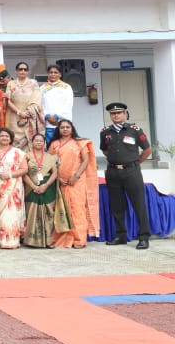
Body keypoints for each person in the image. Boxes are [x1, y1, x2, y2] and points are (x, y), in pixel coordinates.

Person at [100, 102, 151, 249]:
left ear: (125, 114)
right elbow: (105, 150)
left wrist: (135, 162)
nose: (116, 115)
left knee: (139, 205)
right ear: (110, 116)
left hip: (131, 172)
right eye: (113, 113)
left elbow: (147, 150)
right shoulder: (105, 132)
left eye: (119, 113)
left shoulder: (135, 130)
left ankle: (143, 237)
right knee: (117, 205)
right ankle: (120, 236)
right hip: (113, 172)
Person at [50, 120, 98, 248]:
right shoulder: (54, 144)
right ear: (58, 129)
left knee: (77, 209)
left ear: (72, 129)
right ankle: (63, 238)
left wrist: (76, 176)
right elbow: (50, 162)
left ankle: (79, 239)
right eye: (62, 127)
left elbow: (86, 160)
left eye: (67, 127)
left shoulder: (80, 143)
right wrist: (57, 178)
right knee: (62, 209)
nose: (65, 129)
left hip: (76, 181)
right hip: (60, 182)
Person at [24, 132, 67, 248]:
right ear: (32, 142)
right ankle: (31, 241)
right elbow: (24, 174)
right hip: (31, 187)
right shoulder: (26, 156)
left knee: (48, 213)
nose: (38, 142)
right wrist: (34, 186)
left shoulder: (50, 157)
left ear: (44, 143)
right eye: (36, 140)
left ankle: (48, 241)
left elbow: (54, 173)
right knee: (31, 213)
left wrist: (46, 185)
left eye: (41, 141)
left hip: (48, 187)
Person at [0, 127, 27, 249]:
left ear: (11, 138)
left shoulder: (18, 152)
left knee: (11, 213)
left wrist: (9, 175)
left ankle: (11, 240)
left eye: (7, 136)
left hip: (13, 186)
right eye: (2, 136)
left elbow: (24, 169)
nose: (4, 138)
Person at [5, 61, 43, 150]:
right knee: (13, 141)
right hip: (14, 117)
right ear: (16, 71)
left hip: (29, 117)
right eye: (20, 69)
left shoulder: (33, 83)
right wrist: (19, 112)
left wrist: (26, 114)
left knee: (28, 141)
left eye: (25, 69)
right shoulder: (11, 83)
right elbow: (7, 101)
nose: (23, 71)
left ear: (28, 71)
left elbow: (36, 100)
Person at [40, 64, 74, 145]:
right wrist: (47, 116)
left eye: (55, 72)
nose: (53, 74)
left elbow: (68, 104)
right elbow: (39, 104)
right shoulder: (42, 88)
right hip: (48, 124)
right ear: (48, 74)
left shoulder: (66, 87)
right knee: (51, 147)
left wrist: (56, 116)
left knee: (64, 147)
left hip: (63, 123)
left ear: (60, 74)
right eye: (51, 72)